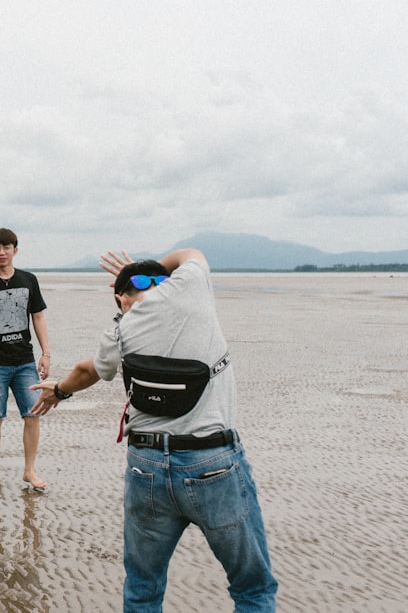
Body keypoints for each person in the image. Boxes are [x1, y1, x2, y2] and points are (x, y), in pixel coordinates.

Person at [32, 248, 277, 611]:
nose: (156, 285)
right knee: (252, 588)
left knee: (143, 587)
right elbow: (192, 254)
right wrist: (158, 270)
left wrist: (61, 391)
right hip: (213, 464)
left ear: (120, 298)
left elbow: (90, 370)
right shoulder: (189, 288)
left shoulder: (120, 328)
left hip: (145, 467)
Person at [0, 228, 51, 491]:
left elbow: (37, 317)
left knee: (33, 413)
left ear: (15, 249)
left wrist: (46, 353)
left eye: (6, 247)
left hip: (25, 360)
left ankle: (29, 470)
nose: (1, 252)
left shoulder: (29, 280)